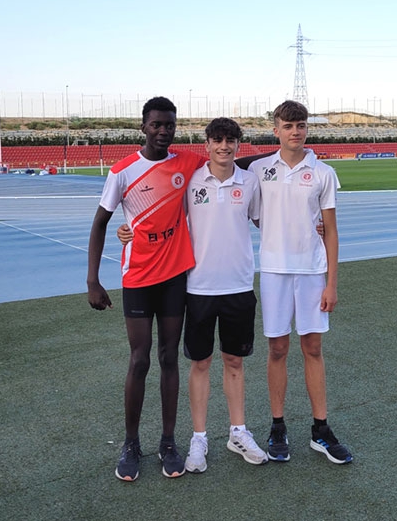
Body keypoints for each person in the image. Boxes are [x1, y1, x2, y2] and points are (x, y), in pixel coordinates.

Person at [118, 117, 268, 473]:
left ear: (238, 145)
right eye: (217, 140)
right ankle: (198, 439)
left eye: (230, 141)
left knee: (235, 362)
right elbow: (161, 216)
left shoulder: (249, 183)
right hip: (198, 286)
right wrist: (130, 229)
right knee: (200, 364)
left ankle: (238, 432)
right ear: (207, 145)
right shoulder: (190, 181)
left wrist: (314, 222)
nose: (224, 147)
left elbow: (266, 220)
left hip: (239, 285)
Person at [87, 96, 202, 481]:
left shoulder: (186, 163)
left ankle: (168, 442)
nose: (163, 130)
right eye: (156, 124)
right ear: (143, 127)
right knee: (140, 360)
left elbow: (230, 163)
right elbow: (101, 223)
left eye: (169, 124)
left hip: (174, 277)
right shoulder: (122, 171)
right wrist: (92, 280)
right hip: (136, 276)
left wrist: (283, 153)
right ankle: (131, 443)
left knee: (170, 358)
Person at [248, 100, 353, 464]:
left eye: (301, 125)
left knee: (312, 348)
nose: (296, 131)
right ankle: (278, 427)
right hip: (275, 271)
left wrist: (332, 284)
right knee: (277, 350)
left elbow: (333, 232)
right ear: (275, 130)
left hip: (312, 272)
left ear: (307, 129)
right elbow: (255, 216)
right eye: (288, 126)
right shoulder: (260, 170)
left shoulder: (323, 173)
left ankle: (320, 429)